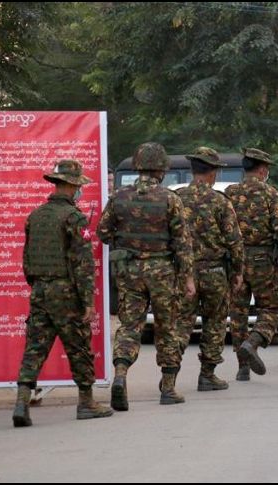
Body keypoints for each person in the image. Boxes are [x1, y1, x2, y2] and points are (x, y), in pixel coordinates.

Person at [13, 160, 113, 427]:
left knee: (34, 348)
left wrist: (39, 286)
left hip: (40, 291)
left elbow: (26, 260)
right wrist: (88, 302)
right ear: (71, 185)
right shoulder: (74, 217)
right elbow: (83, 264)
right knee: (79, 347)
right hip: (66, 292)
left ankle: (22, 400)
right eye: (78, 185)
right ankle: (86, 402)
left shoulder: (35, 215)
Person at [97, 142, 195, 410]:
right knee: (168, 328)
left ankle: (120, 375)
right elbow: (182, 243)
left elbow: (103, 233)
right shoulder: (170, 199)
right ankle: (169, 388)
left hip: (129, 272)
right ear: (162, 170)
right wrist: (187, 278)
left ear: (138, 167)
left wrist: (126, 241)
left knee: (129, 326)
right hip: (163, 272)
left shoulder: (118, 198)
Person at [175, 147, 244, 390]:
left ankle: (169, 379)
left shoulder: (177, 198)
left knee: (181, 323)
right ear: (212, 173)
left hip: (184, 274)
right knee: (214, 323)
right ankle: (207, 375)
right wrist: (237, 272)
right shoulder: (220, 201)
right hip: (215, 272)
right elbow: (234, 240)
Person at [226, 148, 278, 379]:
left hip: (235, 260)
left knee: (238, 313)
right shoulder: (270, 193)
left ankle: (242, 368)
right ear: (263, 170)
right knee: (272, 306)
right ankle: (253, 342)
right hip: (262, 260)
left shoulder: (230, 192)